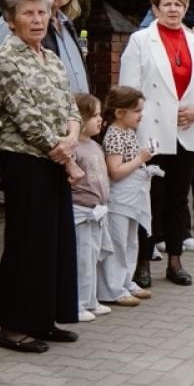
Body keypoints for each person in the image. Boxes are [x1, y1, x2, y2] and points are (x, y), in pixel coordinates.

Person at [0, 0, 84, 356]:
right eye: (27, 12)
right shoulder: (8, 57)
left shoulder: (52, 57)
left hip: (56, 160)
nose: (37, 18)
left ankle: (44, 318)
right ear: (11, 19)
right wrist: (62, 152)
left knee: (53, 242)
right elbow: (24, 115)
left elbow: (71, 105)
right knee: (26, 244)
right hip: (25, 161)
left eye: (42, 11)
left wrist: (73, 137)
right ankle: (13, 328)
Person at [117, 0, 194, 288]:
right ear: (156, 8)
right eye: (167, 3)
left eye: (179, 3)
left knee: (178, 199)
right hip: (151, 134)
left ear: (186, 8)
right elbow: (128, 90)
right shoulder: (140, 41)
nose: (173, 9)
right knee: (150, 199)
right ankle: (143, 262)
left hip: (187, 131)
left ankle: (175, 261)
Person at [97, 86, 154, 309]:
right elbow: (116, 170)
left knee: (131, 241)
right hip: (119, 200)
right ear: (120, 112)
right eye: (136, 111)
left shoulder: (129, 132)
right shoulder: (114, 134)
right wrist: (140, 159)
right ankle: (112, 288)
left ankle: (125, 281)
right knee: (118, 243)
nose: (141, 115)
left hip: (132, 198)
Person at [69, 93, 111, 322]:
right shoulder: (75, 147)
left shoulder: (95, 145)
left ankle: (91, 300)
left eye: (100, 115)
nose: (100, 120)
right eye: (94, 115)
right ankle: (78, 303)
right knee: (82, 259)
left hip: (98, 211)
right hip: (82, 213)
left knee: (93, 257)